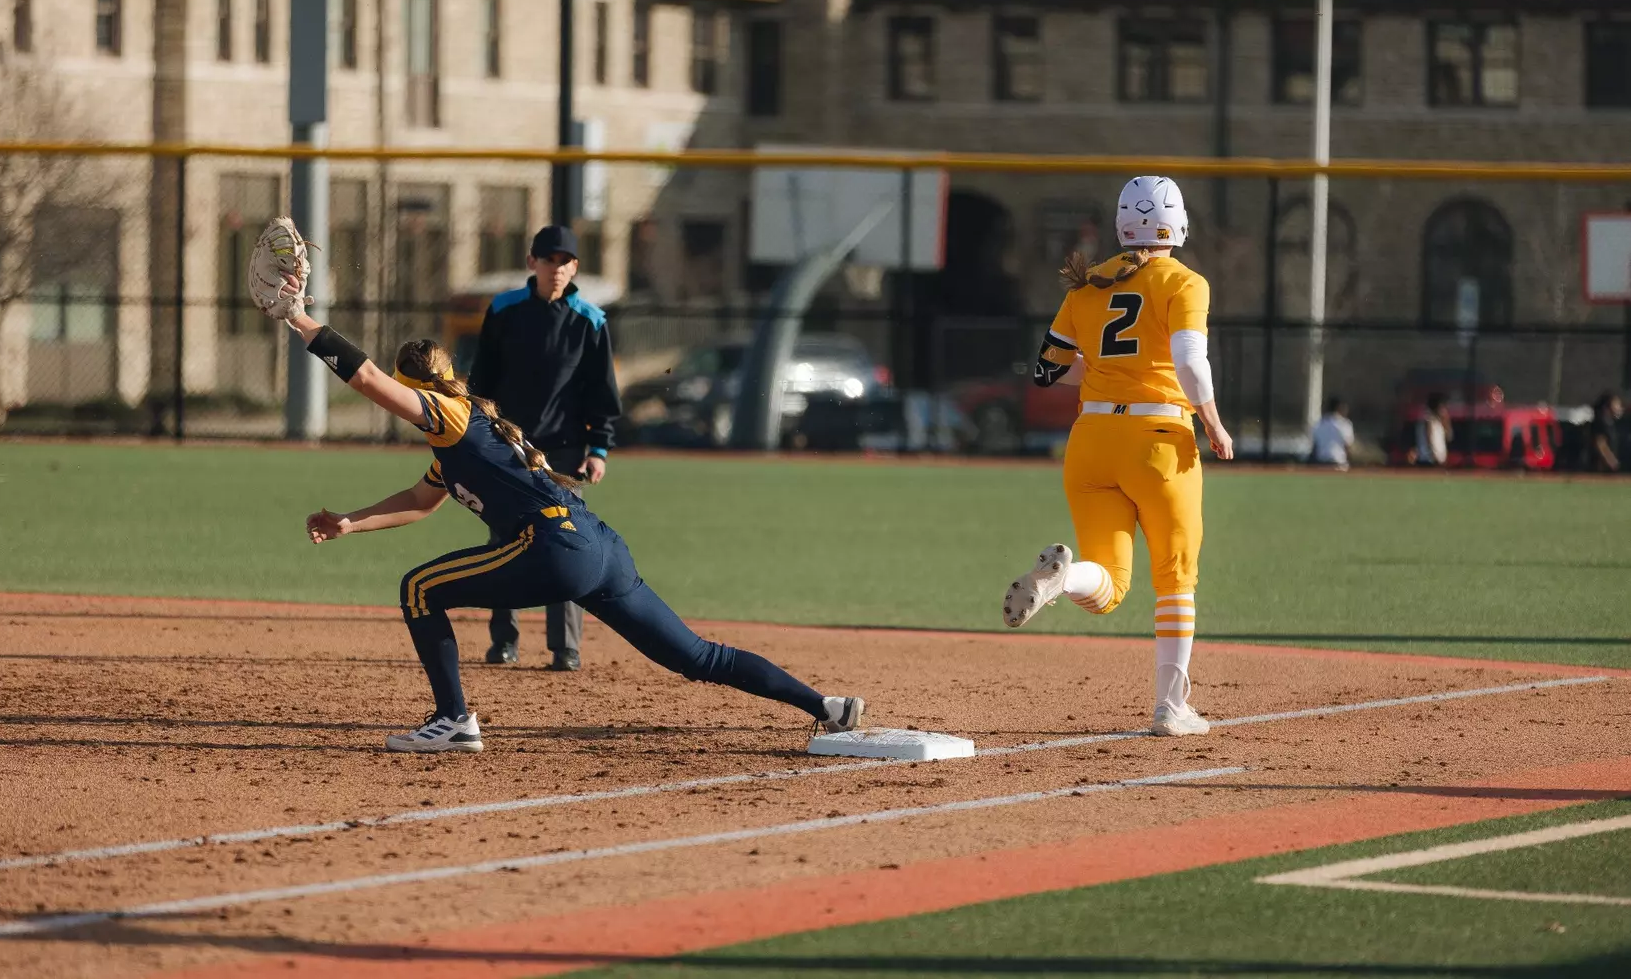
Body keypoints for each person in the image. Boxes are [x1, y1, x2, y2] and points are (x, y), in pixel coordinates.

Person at [247, 227, 865, 753]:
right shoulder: (466, 438)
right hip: (599, 548)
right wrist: (351, 522)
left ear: (427, 390)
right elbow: (418, 503)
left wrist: (299, 316)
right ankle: (827, 707)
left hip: (554, 549)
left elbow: (370, 380)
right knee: (697, 657)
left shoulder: (453, 418)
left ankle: (453, 720)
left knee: (418, 589)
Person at [1000, 176, 1234, 738]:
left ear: (1122, 226)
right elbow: (1190, 363)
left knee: (1107, 587)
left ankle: (1061, 580)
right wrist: (1214, 422)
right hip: (1157, 441)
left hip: (1091, 442)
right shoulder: (1185, 282)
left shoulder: (1088, 285)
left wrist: (1107, 371)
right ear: (1176, 225)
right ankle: (1170, 709)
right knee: (1176, 580)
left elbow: (1046, 369)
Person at [468, 225, 621, 671]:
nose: (558, 268)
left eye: (566, 261)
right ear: (532, 263)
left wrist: (599, 450)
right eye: (549, 259)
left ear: (575, 267)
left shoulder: (590, 320)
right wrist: (481, 436)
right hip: (507, 446)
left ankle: (566, 647)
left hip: (567, 450)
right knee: (505, 540)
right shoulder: (504, 310)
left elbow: (602, 393)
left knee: (567, 544)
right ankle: (504, 641)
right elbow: (482, 382)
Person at [1310, 396, 1355, 470]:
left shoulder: (1319, 424)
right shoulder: (1344, 424)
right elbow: (1348, 447)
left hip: (1321, 464)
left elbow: (1315, 447)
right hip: (1339, 465)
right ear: (1340, 407)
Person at [1588, 391, 1623, 473]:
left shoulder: (1610, 423)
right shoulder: (1601, 423)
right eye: (1616, 404)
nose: (1619, 408)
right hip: (1599, 469)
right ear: (1607, 406)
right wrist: (1612, 462)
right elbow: (1600, 444)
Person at [1414, 393, 1451, 466]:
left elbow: (1449, 436)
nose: (1443, 410)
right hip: (1429, 459)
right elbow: (1429, 437)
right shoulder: (1428, 420)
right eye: (1441, 407)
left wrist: (1446, 421)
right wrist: (1433, 454)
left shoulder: (1438, 422)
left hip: (1438, 459)